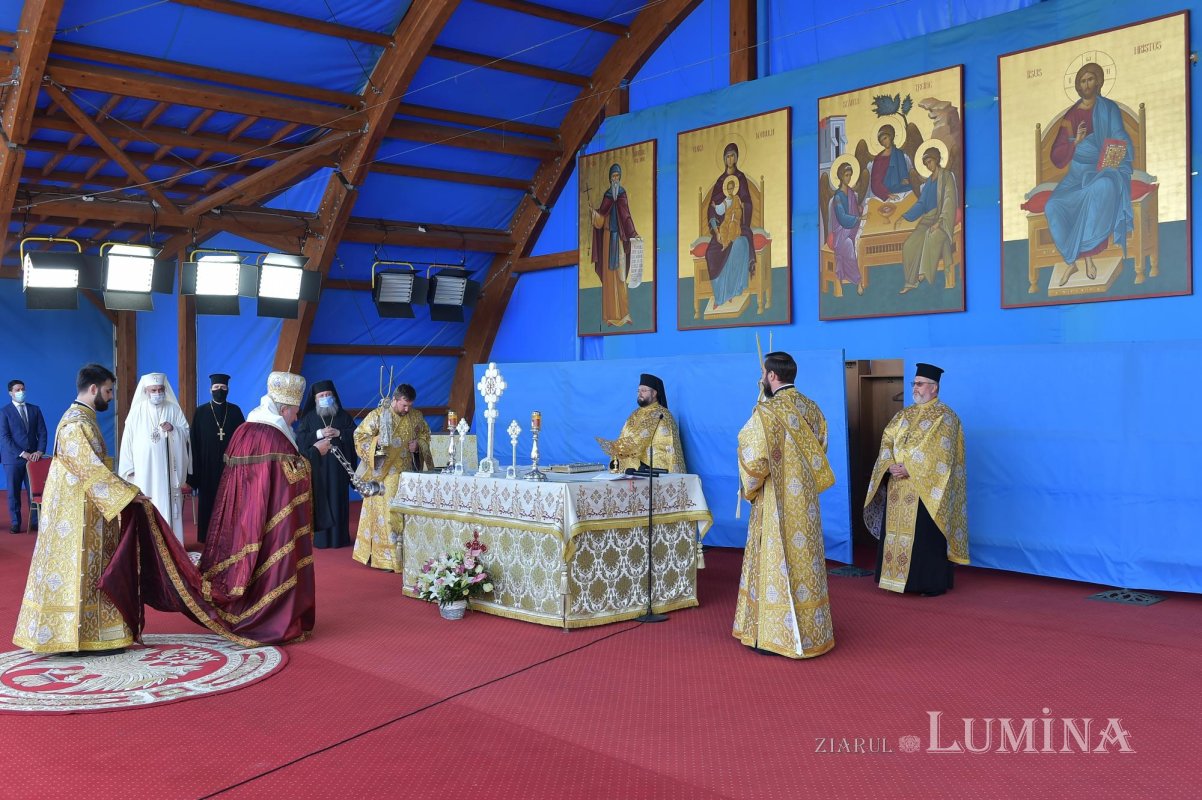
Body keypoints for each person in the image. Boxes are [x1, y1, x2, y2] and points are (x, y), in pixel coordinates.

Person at [13, 364, 145, 653]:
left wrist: (125, 491)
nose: (111, 397)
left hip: (86, 507)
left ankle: (89, 636)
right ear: (93, 388)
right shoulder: (76, 423)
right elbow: (89, 468)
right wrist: (126, 494)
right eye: (108, 391)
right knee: (78, 570)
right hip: (74, 514)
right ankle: (70, 639)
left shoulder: (84, 419)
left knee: (88, 570)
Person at [198, 371, 319, 643]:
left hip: (242, 514)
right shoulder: (274, 437)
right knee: (267, 562)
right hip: (269, 515)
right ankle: (268, 616)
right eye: (294, 413)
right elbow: (291, 478)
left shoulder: (245, 428)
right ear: (284, 409)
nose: (296, 419)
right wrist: (313, 456)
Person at [732, 352, 836, 659]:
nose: (761, 379)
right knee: (804, 563)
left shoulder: (767, 412)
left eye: (763, 374)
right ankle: (812, 633)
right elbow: (821, 448)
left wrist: (749, 486)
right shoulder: (812, 408)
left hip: (776, 501)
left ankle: (775, 636)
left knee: (776, 562)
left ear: (772, 376)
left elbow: (754, 459)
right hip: (806, 503)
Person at [864, 362, 969, 596]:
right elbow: (887, 440)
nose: (915, 388)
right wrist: (890, 464)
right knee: (895, 532)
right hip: (898, 486)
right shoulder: (903, 414)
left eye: (920, 384)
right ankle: (893, 578)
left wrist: (910, 467)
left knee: (924, 536)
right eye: (914, 383)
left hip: (925, 489)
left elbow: (942, 453)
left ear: (934, 387)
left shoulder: (946, 417)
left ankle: (927, 584)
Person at [1045, 62, 1134, 286]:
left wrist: (1111, 157)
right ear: (1078, 85)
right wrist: (1076, 142)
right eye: (1082, 81)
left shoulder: (1109, 109)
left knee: (1100, 189)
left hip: (1103, 169)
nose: (1086, 85)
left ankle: (1088, 259)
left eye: (1090, 79)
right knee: (1052, 205)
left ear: (1099, 82)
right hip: (1077, 174)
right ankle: (1071, 260)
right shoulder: (1071, 116)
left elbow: (1119, 136)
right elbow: (1056, 155)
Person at [353, 383, 431, 571]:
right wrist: (376, 442)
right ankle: (387, 559)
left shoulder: (416, 416)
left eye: (410, 405)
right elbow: (359, 436)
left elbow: (426, 435)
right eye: (404, 405)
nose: (407, 409)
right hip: (384, 475)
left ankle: (408, 556)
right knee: (389, 515)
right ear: (394, 400)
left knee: (408, 515)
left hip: (408, 476)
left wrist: (418, 446)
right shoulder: (378, 415)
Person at [118, 373, 191, 544]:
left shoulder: (173, 409)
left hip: (168, 472)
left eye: (160, 390)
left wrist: (174, 430)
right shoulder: (136, 412)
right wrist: (129, 469)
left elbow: (186, 432)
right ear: (146, 391)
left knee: (167, 506)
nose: (157, 393)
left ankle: (172, 547)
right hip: (144, 472)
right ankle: (149, 548)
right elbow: (127, 442)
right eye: (153, 390)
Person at [297, 379, 357, 549]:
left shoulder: (343, 416)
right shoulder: (309, 418)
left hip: (339, 470)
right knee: (321, 502)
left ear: (334, 396)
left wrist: (340, 433)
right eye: (321, 396)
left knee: (338, 502)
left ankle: (339, 539)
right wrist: (319, 433)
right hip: (319, 469)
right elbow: (300, 440)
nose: (325, 398)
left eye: (328, 395)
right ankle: (321, 539)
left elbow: (356, 435)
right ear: (315, 399)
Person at [188, 373, 245, 543]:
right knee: (208, 501)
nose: (219, 390)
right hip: (206, 466)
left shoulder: (235, 411)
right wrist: (193, 472)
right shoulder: (201, 412)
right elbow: (194, 442)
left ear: (228, 390)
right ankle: (207, 536)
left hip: (229, 465)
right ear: (210, 390)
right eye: (216, 387)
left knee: (230, 500)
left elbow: (243, 439)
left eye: (223, 388)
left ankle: (229, 536)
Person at [896, 145, 958, 294]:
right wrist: (904, 216)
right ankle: (911, 282)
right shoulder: (928, 182)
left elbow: (949, 200)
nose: (928, 166)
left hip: (942, 218)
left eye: (929, 162)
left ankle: (922, 273)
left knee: (931, 236)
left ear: (936, 159)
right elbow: (921, 204)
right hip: (928, 218)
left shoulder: (947, 176)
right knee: (909, 244)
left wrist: (940, 222)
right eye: (926, 164)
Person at [597, 373, 686, 474]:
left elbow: (640, 439)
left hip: (653, 470)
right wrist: (615, 455)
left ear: (654, 393)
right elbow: (623, 436)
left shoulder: (662, 414)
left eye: (643, 390)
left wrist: (614, 447)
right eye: (638, 391)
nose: (639, 394)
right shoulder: (634, 414)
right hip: (632, 470)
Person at [705, 143, 756, 310]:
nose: (730, 159)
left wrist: (741, 207)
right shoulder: (720, 182)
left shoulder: (741, 178)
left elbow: (748, 202)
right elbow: (713, 208)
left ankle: (733, 291)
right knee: (711, 252)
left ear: (737, 157)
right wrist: (716, 231)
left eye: (733, 155)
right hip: (722, 229)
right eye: (727, 156)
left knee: (739, 245)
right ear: (724, 159)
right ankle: (720, 296)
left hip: (739, 227)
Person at [590, 162, 638, 328]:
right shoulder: (607, 195)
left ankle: (624, 314)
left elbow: (627, 217)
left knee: (620, 276)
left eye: (617, 176)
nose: (615, 179)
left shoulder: (622, 194)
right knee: (609, 278)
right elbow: (601, 217)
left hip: (619, 240)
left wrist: (633, 233)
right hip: (607, 238)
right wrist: (594, 214)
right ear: (610, 178)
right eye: (613, 176)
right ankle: (609, 316)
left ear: (620, 178)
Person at [1, 379, 48, 533]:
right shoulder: (4, 412)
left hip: (33, 459)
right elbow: (4, 437)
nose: (21, 392)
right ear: (10, 393)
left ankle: (35, 521)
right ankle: (15, 523)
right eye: (17, 390)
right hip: (13, 459)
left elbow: (42, 432)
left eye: (22, 389)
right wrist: (23, 453)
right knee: (13, 493)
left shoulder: (35, 410)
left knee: (34, 491)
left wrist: (39, 451)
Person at [826, 158, 865, 294]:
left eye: (850, 175)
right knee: (848, 246)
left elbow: (853, 209)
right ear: (841, 176)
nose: (848, 178)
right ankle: (858, 281)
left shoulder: (851, 193)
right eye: (846, 175)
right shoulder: (837, 197)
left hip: (852, 228)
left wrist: (859, 210)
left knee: (862, 239)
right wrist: (858, 218)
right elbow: (842, 218)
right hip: (840, 233)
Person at [866, 124, 914, 201]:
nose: (884, 142)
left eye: (885, 138)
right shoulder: (879, 158)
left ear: (890, 136)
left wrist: (905, 179)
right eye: (882, 141)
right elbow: (875, 182)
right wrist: (887, 194)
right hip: (884, 190)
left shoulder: (898, 153)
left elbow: (904, 174)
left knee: (913, 193)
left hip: (900, 187)